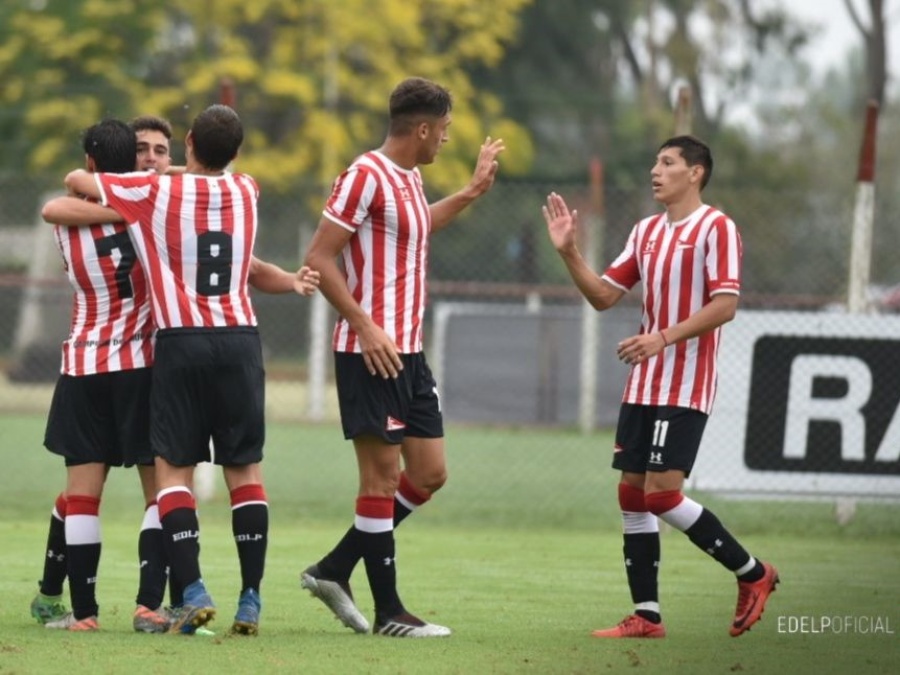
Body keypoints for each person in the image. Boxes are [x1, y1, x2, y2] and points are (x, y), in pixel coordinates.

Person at [41, 104, 320, 636]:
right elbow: (251, 264)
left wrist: (131, 182)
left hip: (132, 353)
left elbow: (68, 193)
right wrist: (291, 280)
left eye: (162, 152)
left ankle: (125, 604)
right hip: (208, 347)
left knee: (130, 483)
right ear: (235, 155)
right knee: (236, 474)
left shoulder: (143, 199)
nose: (153, 161)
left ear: (185, 144)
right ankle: (226, 600)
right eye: (144, 152)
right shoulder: (244, 190)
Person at [541, 135, 779, 639]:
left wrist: (663, 338)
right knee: (631, 493)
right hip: (644, 384)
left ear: (695, 173)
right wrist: (570, 253)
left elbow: (726, 304)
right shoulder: (647, 231)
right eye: (655, 161)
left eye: (667, 162)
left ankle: (754, 573)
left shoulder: (717, 227)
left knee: (662, 496)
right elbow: (604, 295)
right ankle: (647, 616)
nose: (655, 170)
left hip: (686, 383)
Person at [301, 76, 505, 637]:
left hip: (409, 355)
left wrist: (470, 192)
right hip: (370, 353)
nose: (445, 140)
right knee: (381, 481)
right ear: (421, 128)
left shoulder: (410, 179)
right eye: (443, 131)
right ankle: (391, 612)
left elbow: (416, 228)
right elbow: (319, 256)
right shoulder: (363, 175)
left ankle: (335, 569)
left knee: (429, 473)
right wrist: (363, 324)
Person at [30, 118, 153, 632]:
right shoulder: (152, 215)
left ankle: (84, 614)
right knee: (160, 492)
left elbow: (55, 203)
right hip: (141, 366)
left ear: (90, 165)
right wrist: (128, 204)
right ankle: (151, 603)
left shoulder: (65, 222)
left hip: (84, 364)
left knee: (82, 495)